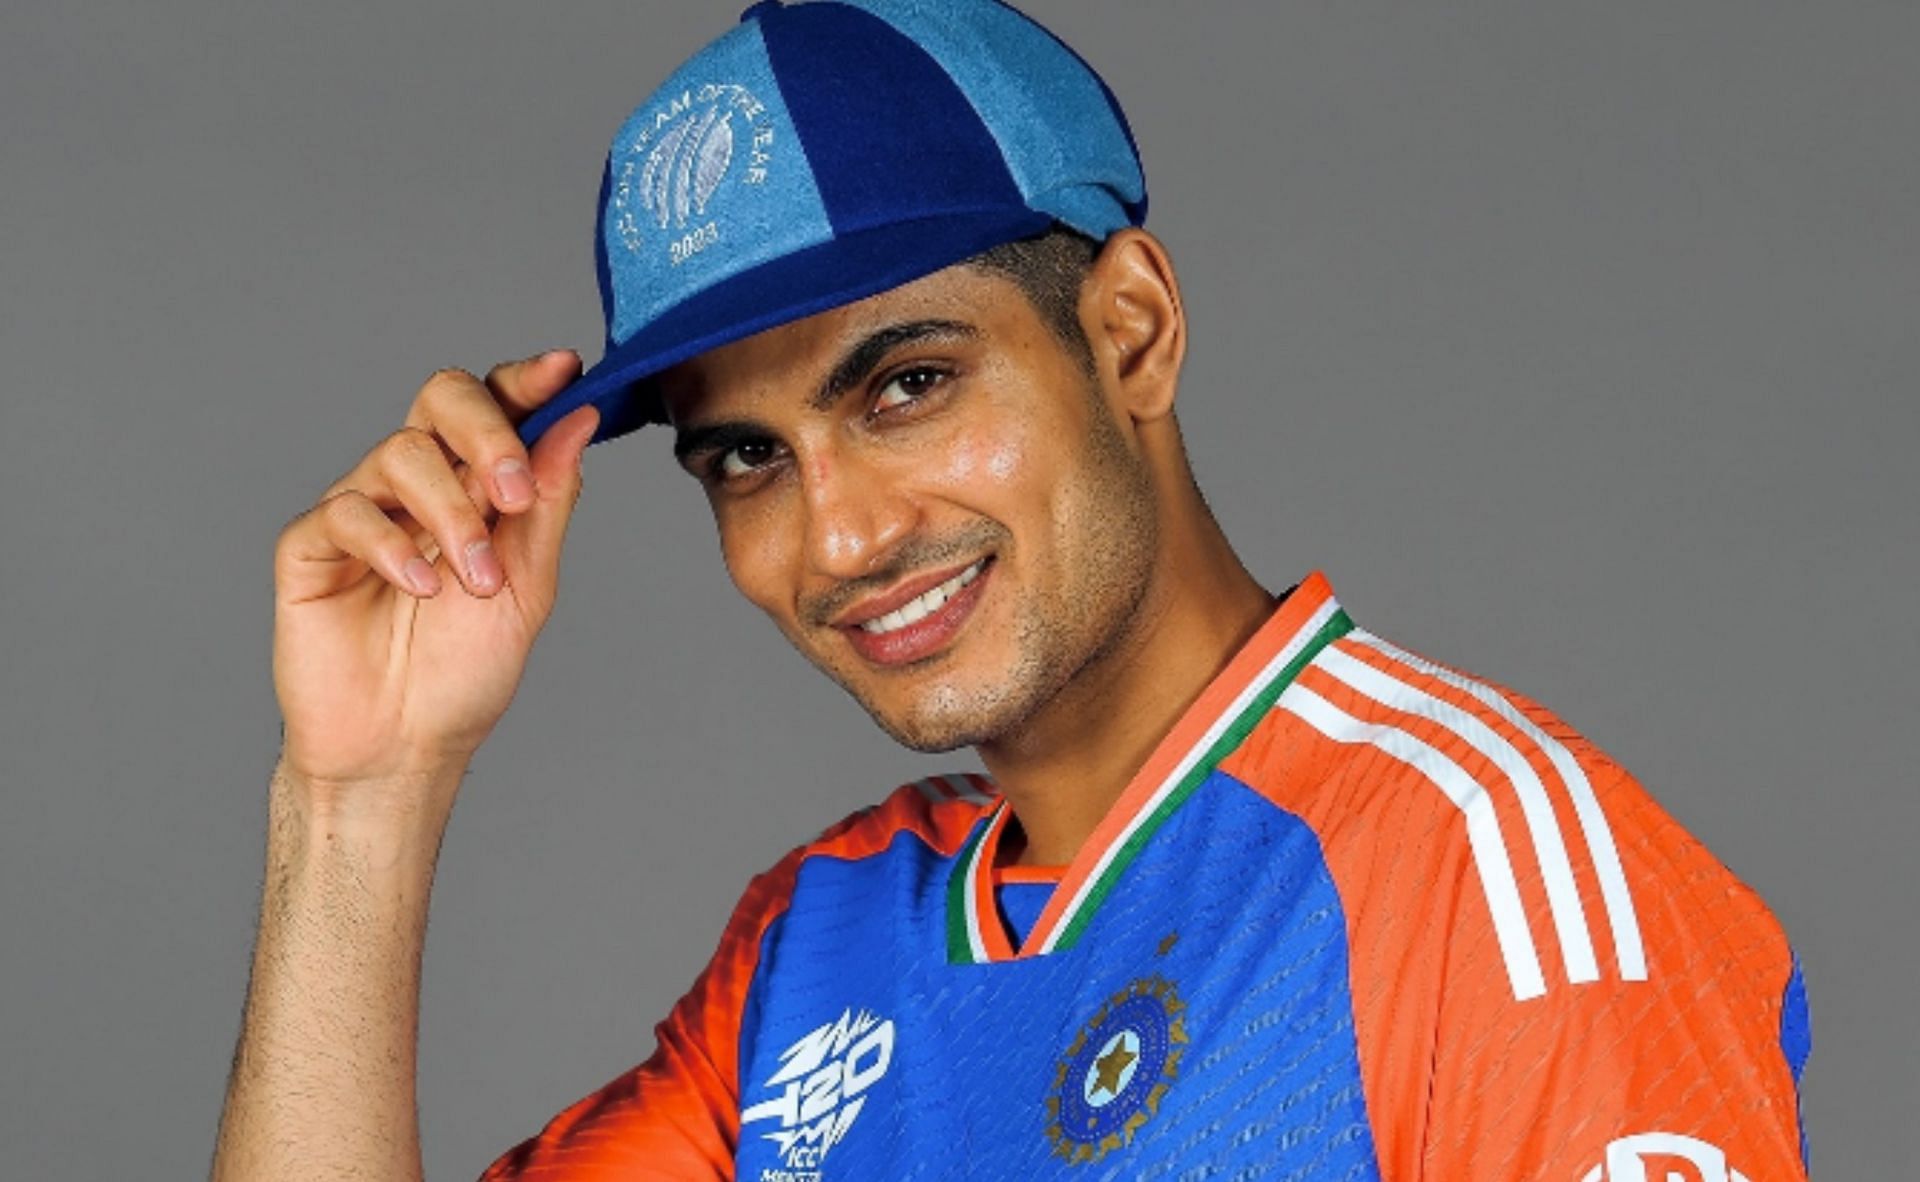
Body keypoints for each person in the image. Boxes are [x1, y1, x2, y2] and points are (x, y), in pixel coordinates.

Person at [211, 2, 1812, 1179]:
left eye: (904, 385)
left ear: (1130, 333)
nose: (835, 537)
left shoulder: (1487, 876)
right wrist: (364, 796)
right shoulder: (807, 961)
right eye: (746, 458)